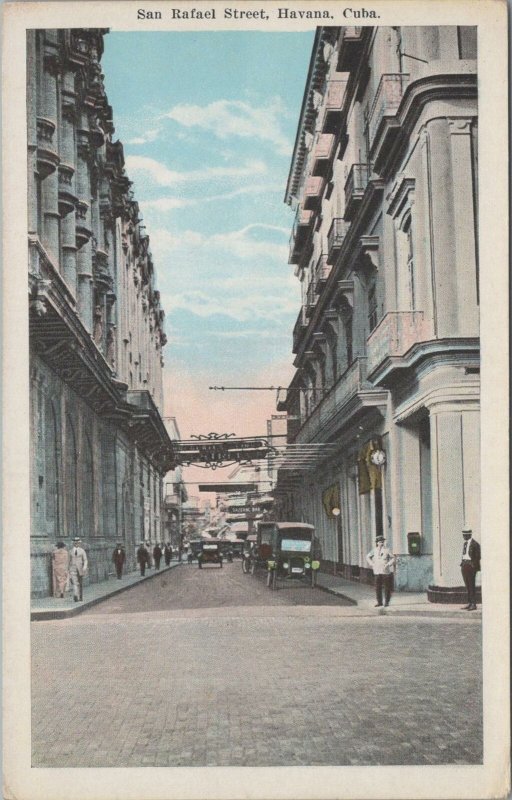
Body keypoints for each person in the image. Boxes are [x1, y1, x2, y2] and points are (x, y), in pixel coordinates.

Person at [366, 535, 396, 608]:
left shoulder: (387, 550)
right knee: (377, 587)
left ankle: (386, 602)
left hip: (385, 571)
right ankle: (379, 602)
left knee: (387, 587)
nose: (381, 543)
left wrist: (388, 564)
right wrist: (372, 564)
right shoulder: (374, 550)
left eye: (382, 542)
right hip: (377, 571)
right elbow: (367, 556)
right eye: (380, 542)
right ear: (377, 543)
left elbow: (393, 558)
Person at [460, 525, 481, 610]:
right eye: (463, 535)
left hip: (470, 566)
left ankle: (473, 604)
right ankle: (469, 602)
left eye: (464, 535)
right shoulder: (465, 543)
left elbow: (478, 556)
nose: (463, 536)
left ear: (469, 535)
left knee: (471, 585)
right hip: (464, 565)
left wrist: (473, 565)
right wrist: (462, 563)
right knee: (467, 585)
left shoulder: (475, 544)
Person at [69, 537, 88, 602]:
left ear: (79, 543)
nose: (76, 543)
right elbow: (68, 561)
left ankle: (80, 596)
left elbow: (85, 560)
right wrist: (68, 570)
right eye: (75, 542)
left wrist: (84, 567)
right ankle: (75, 595)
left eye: (77, 542)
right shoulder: (70, 551)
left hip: (80, 569)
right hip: (72, 569)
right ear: (73, 543)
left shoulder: (82, 551)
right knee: (75, 583)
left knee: (80, 583)